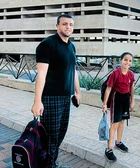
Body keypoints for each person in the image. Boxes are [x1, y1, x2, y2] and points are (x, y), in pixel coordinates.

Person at [31, 14, 80, 167]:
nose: (68, 27)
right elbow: (41, 74)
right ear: (57, 26)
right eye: (65, 24)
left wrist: (77, 92)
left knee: (60, 133)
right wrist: (37, 101)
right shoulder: (47, 44)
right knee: (50, 136)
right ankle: (48, 164)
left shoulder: (71, 46)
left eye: (71, 25)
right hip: (51, 97)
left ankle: (51, 161)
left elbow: (74, 71)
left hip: (66, 97)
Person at [102, 52, 135, 162]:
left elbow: (132, 88)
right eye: (125, 59)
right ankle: (109, 148)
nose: (127, 62)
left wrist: (132, 101)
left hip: (126, 99)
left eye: (130, 60)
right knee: (115, 124)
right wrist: (105, 104)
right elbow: (108, 89)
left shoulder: (131, 74)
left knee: (122, 122)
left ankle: (118, 142)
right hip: (117, 99)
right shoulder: (115, 74)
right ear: (121, 60)